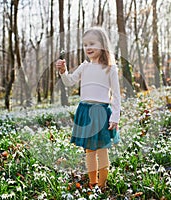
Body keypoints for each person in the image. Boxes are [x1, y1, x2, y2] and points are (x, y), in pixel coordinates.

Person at [56, 26, 121, 189]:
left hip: (102, 112)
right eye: (85, 44)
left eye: (92, 43)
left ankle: (102, 184)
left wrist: (115, 116)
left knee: (102, 150)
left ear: (103, 44)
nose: (88, 47)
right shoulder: (84, 66)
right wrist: (63, 72)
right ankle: (93, 183)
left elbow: (117, 96)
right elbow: (69, 81)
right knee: (89, 150)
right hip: (85, 110)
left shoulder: (110, 68)